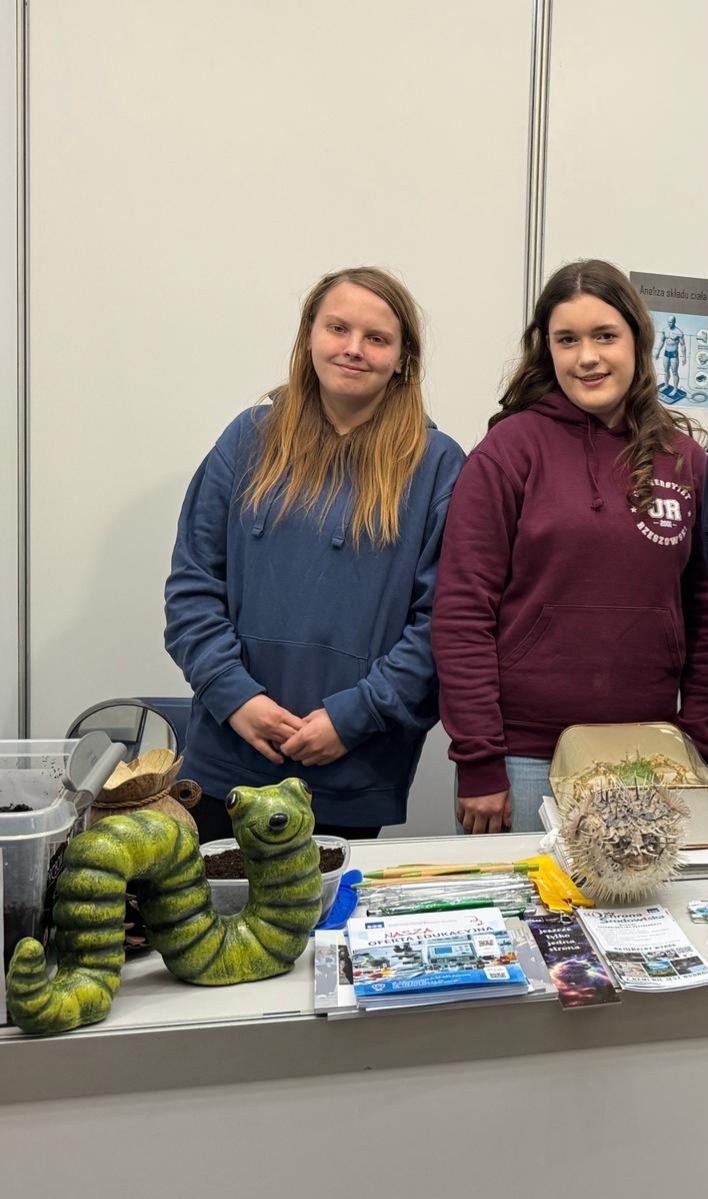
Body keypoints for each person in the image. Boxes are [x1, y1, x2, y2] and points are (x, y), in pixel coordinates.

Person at [165, 266, 464, 842]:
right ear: (308, 336)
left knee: (323, 904)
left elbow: (441, 623)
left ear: (404, 359)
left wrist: (355, 717)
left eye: (377, 338)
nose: (354, 349)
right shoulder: (247, 439)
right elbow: (193, 587)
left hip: (351, 768)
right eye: (338, 328)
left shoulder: (437, 466)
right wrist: (235, 696)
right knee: (210, 900)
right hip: (228, 759)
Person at [431, 259, 708, 835]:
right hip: (524, 759)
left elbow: (704, 608)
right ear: (547, 348)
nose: (587, 357)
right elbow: (462, 612)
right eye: (568, 339)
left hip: (652, 756)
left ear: (638, 339)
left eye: (605, 336)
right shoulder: (509, 451)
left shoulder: (684, 459)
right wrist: (480, 761)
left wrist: (698, 740)